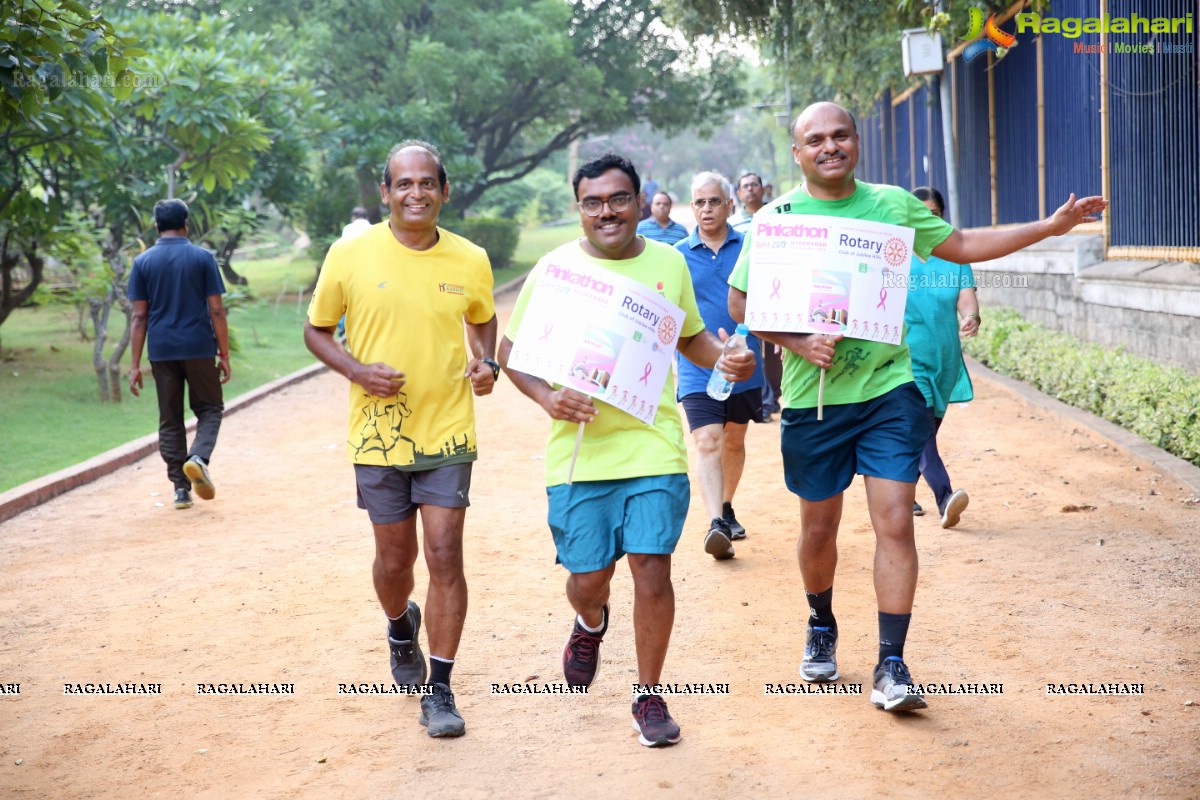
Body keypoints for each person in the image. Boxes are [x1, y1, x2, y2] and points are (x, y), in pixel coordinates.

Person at [728, 101, 1107, 712]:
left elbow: (960, 244)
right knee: (818, 527)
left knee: (896, 520)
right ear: (796, 153)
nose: (830, 146)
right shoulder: (777, 219)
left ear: (856, 142)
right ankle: (821, 621)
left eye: (841, 135)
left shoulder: (893, 206)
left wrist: (1047, 227)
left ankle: (892, 662)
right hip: (813, 401)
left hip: (889, 389)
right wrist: (797, 341)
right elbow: (742, 306)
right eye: (815, 139)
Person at [498, 153, 755, 747]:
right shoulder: (555, 270)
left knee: (651, 570)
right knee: (590, 578)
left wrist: (728, 359)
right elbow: (512, 353)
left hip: (654, 445)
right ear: (579, 208)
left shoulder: (668, 263)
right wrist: (548, 400)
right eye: (593, 202)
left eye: (618, 199)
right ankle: (590, 621)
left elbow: (691, 339)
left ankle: (648, 695)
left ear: (641, 203)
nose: (606, 211)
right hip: (579, 455)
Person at [304, 140, 499, 739]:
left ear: (444, 190)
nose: (417, 194)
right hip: (378, 437)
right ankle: (398, 624)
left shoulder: (470, 259)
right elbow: (315, 332)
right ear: (386, 192)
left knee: (444, 554)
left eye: (427, 184)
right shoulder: (350, 255)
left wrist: (485, 361)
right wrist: (358, 372)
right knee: (396, 561)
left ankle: (439, 690)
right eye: (404, 184)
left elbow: (483, 320)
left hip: (446, 430)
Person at [675, 171, 766, 560]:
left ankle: (727, 506)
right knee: (707, 440)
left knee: (733, 440)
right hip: (697, 365)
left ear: (730, 205)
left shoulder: (751, 248)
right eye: (699, 202)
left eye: (714, 201)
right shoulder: (676, 254)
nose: (706, 209)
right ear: (692, 206)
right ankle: (715, 522)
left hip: (744, 362)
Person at [128, 199, 231, 511]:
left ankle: (180, 490)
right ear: (186, 224)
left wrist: (134, 365)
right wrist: (223, 353)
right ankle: (198, 457)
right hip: (199, 346)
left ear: (157, 226)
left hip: (161, 351)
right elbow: (216, 308)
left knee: (170, 418)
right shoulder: (202, 257)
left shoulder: (142, 262)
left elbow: (139, 317)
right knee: (210, 408)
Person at [906, 186, 979, 528]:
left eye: (932, 214)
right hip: (907, 358)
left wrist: (970, 316)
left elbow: (966, 295)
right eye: (918, 213)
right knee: (921, 431)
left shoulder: (955, 256)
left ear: (942, 217)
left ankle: (899, 493)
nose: (926, 220)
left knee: (923, 433)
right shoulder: (895, 255)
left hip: (945, 359)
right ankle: (945, 497)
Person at [732, 172, 783, 421]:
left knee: (775, 347)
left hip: (777, 290)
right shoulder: (733, 224)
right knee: (753, 344)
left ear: (763, 189)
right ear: (738, 193)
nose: (750, 189)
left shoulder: (779, 215)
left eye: (755, 185)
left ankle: (774, 395)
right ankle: (764, 400)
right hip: (746, 293)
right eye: (745, 186)